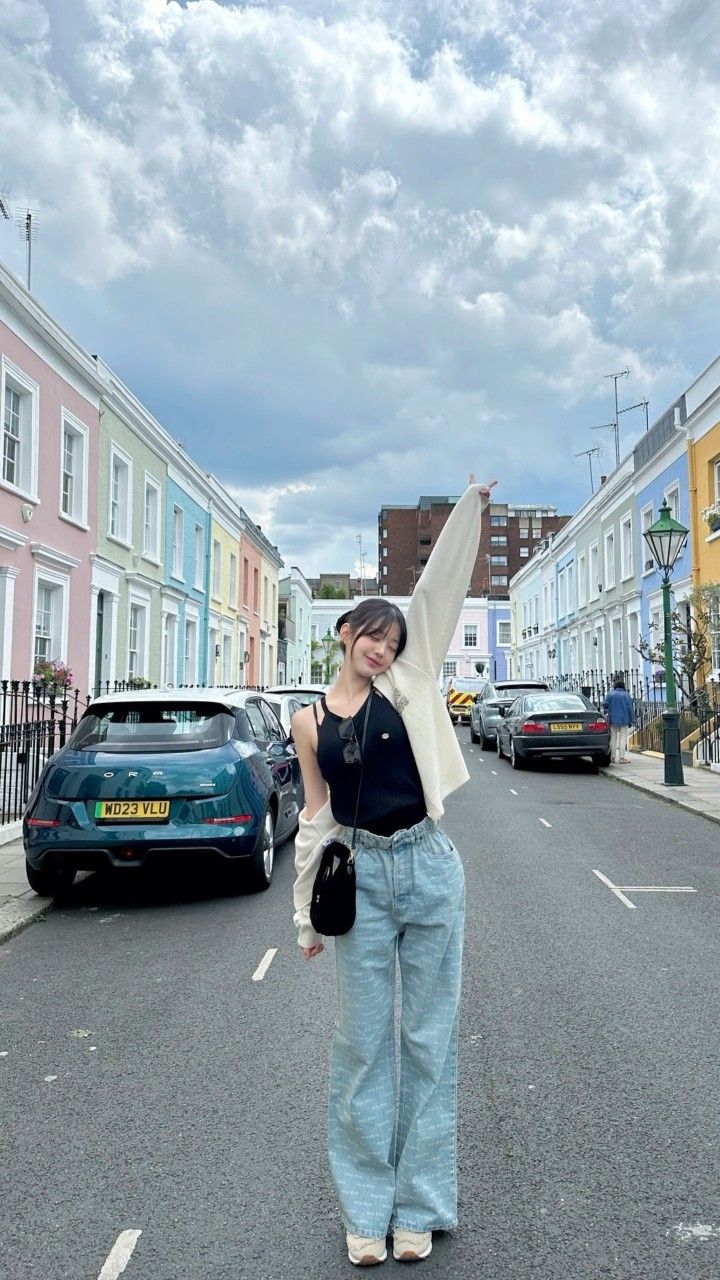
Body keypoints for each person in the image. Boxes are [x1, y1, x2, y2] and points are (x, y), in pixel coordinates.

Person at [292, 476, 496, 1268]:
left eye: (393, 637)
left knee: (427, 1042)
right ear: (344, 632)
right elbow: (315, 822)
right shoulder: (308, 721)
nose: (382, 646)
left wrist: (469, 509)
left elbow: (439, 588)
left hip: (430, 868)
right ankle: (367, 1212)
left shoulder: (409, 683)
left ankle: (419, 1209)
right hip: (364, 878)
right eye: (371, 634)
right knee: (362, 1049)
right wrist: (306, 920)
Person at [602, 677, 635, 763]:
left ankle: (612, 757)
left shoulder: (610, 694)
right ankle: (621, 758)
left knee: (613, 738)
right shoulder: (626, 695)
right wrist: (633, 720)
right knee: (623, 738)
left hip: (613, 719)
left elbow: (604, 704)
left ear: (615, 686)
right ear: (623, 686)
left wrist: (608, 709)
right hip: (624, 719)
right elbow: (630, 708)